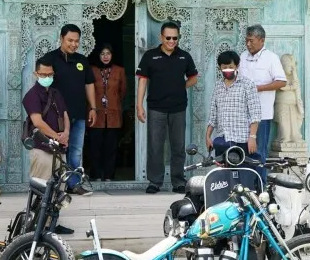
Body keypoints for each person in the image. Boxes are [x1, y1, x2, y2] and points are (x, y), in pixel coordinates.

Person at [136, 21, 198, 194]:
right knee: (155, 146)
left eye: (175, 38)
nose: (172, 41)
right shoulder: (150, 56)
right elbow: (142, 80)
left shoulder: (184, 56)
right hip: (156, 108)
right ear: (161, 37)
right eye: (168, 37)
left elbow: (194, 78)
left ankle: (178, 181)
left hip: (178, 108)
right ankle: (155, 182)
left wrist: (180, 86)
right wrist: (138, 105)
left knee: (178, 146)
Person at [39, 24, 96, 196]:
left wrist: (93, 107)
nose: (73, 44)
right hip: (56, 116)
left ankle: (74, 184)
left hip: (78, 113)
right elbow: (42, 85)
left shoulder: (82, 60)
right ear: (61, 38)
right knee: (56, 150)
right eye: (70, 40)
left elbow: (89, 84)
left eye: (76, 41)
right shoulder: (49, 59)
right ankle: (55, 185)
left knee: (76, 150)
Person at [23, 57, 74, 235]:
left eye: (50, 74)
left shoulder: (56, 93)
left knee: (59, 189)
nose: (47, 76)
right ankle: (36, 227)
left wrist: (66, 133)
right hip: (42, 148)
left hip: (59, 149)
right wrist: (57, 136)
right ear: (36, 74)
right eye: (43, 74)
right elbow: (37, 122)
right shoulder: (31, 95)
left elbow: (65, 114)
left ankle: (53, 223)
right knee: (41, 190)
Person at [238, 24, 287, 183]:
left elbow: (281, 82)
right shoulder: (242, 56)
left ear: (262, 40)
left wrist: (259, 88)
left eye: (251, 40)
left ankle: (260, 187)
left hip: (262, 115)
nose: (248, 44)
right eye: (246, 40)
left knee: (259, 152)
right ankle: (243, 187)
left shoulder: (271, 58)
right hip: (242, 114)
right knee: (242, 151)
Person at [206, 50, 262, 169]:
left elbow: (255, 114)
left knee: (244, 177)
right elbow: (213, 114)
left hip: (242, 140)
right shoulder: (218, 86)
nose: (227, 69)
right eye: (224, 67)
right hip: (223, 140)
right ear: (220, 68)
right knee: (224, 177)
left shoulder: (247, 85)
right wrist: (208, 136)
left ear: (237, 66)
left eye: (230, 67)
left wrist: (252, 138)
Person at [88, 44, 127, 181]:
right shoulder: (92, 70)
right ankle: (96, 175)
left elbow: (123, 91)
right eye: (102, 53)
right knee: (95, 146)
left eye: (108, 53)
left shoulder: (119, 70)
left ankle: (109, 175)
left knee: (111, 148)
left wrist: (113, 101)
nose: (105, 56)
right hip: (95, 114)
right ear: (98, 55)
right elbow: (88, 90)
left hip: (113, 114)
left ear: (112, 55)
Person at [273, 54, 304, 144]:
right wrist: (291, 87)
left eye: (293, 66)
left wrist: (294, 73)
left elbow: (296, 85)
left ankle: (294, 138)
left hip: (293, 104)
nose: (291, 68)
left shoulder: (293, 77)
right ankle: (284, 138)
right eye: (289, 66)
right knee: (284, 126)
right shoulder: (278, 75)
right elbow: (281, 87)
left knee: (294, 127)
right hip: (282, 104)